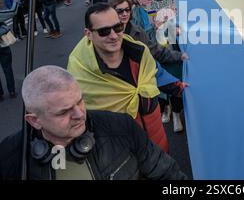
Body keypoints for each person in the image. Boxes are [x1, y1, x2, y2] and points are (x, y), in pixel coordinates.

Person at [0, 66, 188, 179]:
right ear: (34, 121)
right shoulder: (10, 157)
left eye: (80, 101)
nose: (79, 113)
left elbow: (169, 175)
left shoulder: (120, 127)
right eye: (64, 111)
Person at [67, 3, 185, 152]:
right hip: (123, 153)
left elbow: (156, 72)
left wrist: (178, 87)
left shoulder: (139, 52)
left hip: (157, 141)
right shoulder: (80, 73)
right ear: (88, 33)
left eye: (117, 27)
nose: (114, 36)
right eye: (104, 31)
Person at [108, 0, 188, 132]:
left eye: (127, 10)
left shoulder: (137, 32)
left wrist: (180, 56)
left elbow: (155, 52)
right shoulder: (104, 34)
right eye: (120, 11)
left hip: (140, 88)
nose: (124, 13)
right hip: (117, 91)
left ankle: (170, 112)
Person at [0, 0, 18, 101]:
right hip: (2, 44)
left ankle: (0, 94)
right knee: (7, 68)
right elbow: (12, 11)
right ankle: (11, 91)